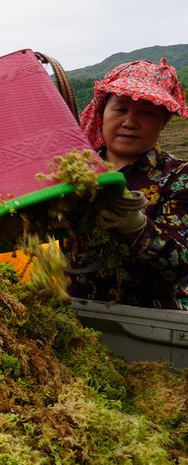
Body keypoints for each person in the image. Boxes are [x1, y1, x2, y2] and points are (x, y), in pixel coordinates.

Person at [67, 58, 188, 308]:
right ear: (102, 112)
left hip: (148, 320)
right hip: (75, 309)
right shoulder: (75, 169)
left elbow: (181, 263)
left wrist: (137, 226)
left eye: (146, 112)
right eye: (120, 109)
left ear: (164, 120)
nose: (130, 122)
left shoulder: (179, 177)